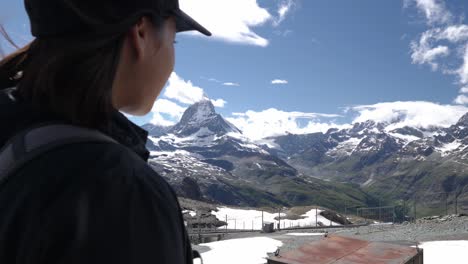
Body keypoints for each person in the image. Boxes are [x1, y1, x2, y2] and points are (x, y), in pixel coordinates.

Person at [0, 0, 211, 263]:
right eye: (173, 42)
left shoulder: (14, 124)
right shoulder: (122, 192)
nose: (172, 61)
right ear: (141, 32)